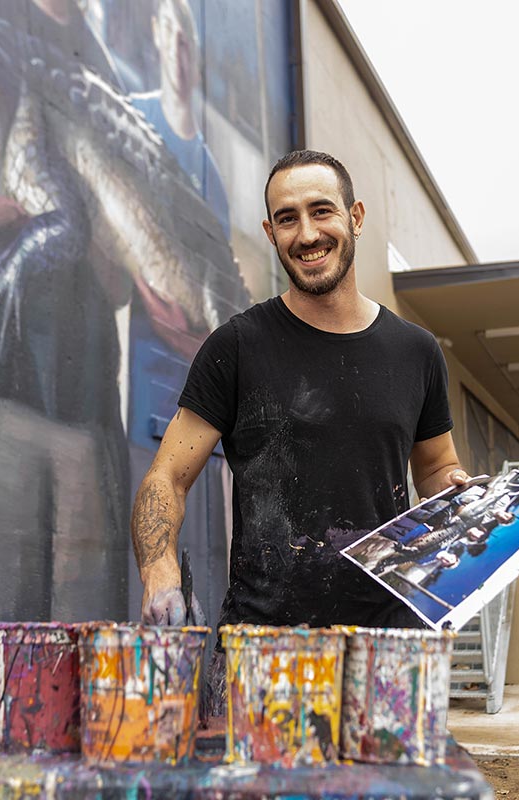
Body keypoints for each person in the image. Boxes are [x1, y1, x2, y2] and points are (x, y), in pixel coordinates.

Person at [131, 149, 470, 631]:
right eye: (287, 219)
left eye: (322, 211)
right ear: (271, 233)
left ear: (355, 218)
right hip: (263, 648)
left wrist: (456, 491)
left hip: (389, 643)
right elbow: (167, 477)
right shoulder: (237, 347)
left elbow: (437, 467)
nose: (307, 234)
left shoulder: (416, 351)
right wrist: (158, 567)